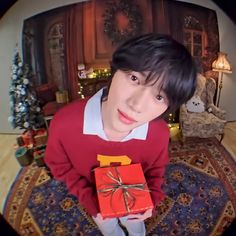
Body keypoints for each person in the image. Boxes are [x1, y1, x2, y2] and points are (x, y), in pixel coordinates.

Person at [44, 33, 197, 236]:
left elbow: (156, 170)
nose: (136, 105)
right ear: (115, 71)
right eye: (134, 78)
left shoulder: (159, 134)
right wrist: (88, 198)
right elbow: (58, 165)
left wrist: (151, 198)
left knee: (136, 229)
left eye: (159, 96)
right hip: (96, 203)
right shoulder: (64, 123)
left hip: (135, 202)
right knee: (110, 230)